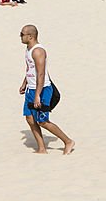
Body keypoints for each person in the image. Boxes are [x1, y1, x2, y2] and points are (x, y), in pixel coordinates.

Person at [19, 25, 75, 155]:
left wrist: (38, 95)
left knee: (42, 121)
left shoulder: (38, 51)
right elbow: (30, 69)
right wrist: (24, 83)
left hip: (42, 89)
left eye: (22, 34)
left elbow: (41, 74)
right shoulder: (28, 49)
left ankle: (68, 141)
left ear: (30, 36)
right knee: (30, 119)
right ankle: (42, 149)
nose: (20, 37)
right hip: (31, 88)